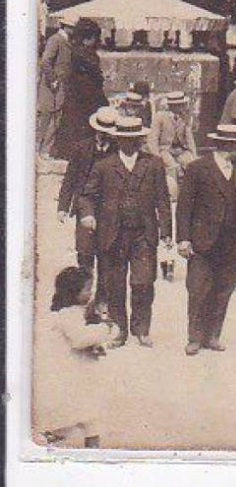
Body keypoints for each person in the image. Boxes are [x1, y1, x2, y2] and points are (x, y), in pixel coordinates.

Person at [78, 114, 172, 348]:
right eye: (125, 139)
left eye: (135, 139)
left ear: (141, 140)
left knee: (143, 282)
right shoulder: (103, 166)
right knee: (114, 284)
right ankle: (119, 330)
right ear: (118, 140)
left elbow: (163, 200)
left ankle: (141, 329)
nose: (130, 144)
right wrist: (88, 214)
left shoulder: (153, 165)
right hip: (113, 235)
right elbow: (87, 196)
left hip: (144, 234)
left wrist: (167, 231)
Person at [175, 121, 236, 354]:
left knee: (224, 289)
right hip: (203, 240)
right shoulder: (197, 168)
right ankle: (194, 337)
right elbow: (184, 207)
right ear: (226, 144)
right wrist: (183, 239)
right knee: (198, 289)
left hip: (233, 241)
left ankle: (213, 335)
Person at [34, 265, 115, 447]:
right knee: (81, 416)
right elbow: (79, 339)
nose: (90, 293)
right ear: (73, 292)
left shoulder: (77, 312)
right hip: (71, 373)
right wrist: (105, 329)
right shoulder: (66, 314)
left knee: (89, 417)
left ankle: (88, 449)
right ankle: (49, 440)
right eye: (87, 289)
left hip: (82, 372)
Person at [57, 106, 117, 308]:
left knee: (106, 255)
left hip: (108, 210)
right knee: (84, 253)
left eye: (108, 132)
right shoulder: (81, 148)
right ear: (95, 129)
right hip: (84, 206)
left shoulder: (117, 150)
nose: (104, 135)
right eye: (101, 131)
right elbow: (70, 179)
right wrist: (63, 207)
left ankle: (102, 300)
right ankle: (82, 297)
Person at [55, 18, 107, 159]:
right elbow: (95, 77)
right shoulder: (87, 54)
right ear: (90, 38)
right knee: (85, 127)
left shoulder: (74, 50)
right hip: (87, 97)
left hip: (75, 95)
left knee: (72, 123)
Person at [38, 20, 73, 158]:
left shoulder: (65, 40)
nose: (74, 30)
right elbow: (46, 61)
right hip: (53, 86)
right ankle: (44, 150)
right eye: (72, 27)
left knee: (56, 117)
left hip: (59, 85)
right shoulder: (56, 40)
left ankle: (47, 149)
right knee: (51, 117)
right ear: (65, 26)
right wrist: (52, 80)